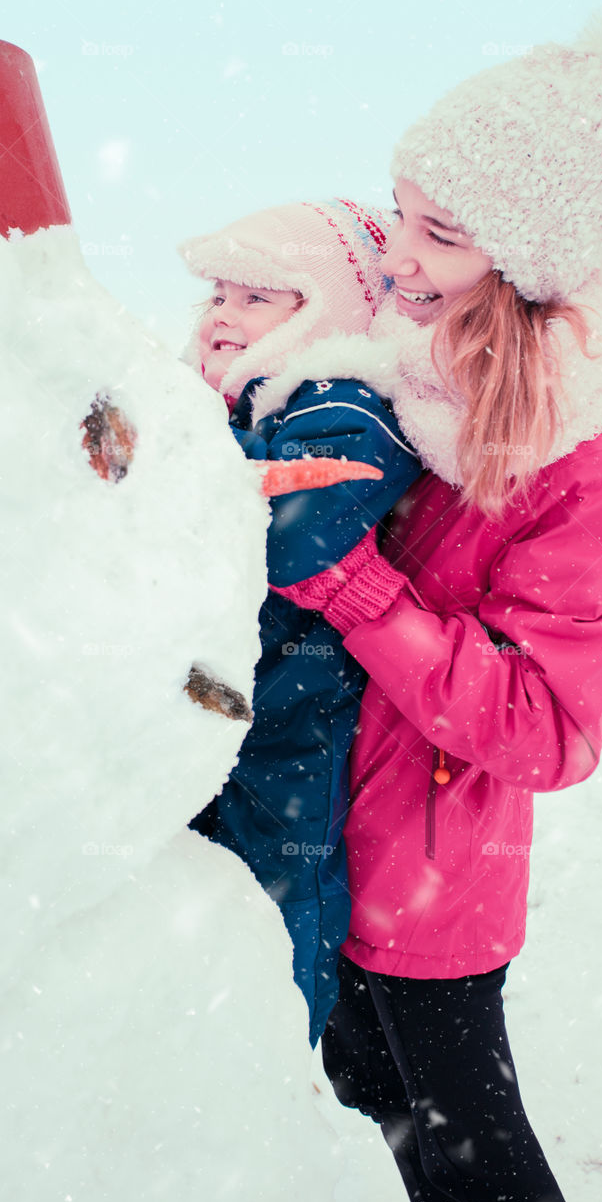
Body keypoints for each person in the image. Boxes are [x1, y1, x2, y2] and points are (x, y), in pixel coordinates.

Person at [273, 0, 602, 1202]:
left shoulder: (575, 472)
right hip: (328, 855)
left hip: (434, 893)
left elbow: (549, 725)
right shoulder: (399, 394)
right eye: (402, 214)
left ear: (525, 261)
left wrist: (355, 586)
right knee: (376, 1101)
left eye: (438, 234)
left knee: (476, 1170)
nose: (398, 254)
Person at [179, 200, 422, 1045]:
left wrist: (171, 456)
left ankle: (280, 1063)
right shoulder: (233, 412)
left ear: (326, 309)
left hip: (290, 730)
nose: (222, 314)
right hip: (216, 714)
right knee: (190, 907)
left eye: (258, 299)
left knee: (276, 912)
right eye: (217, 293)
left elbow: (303, 527)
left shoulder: (346, 401)